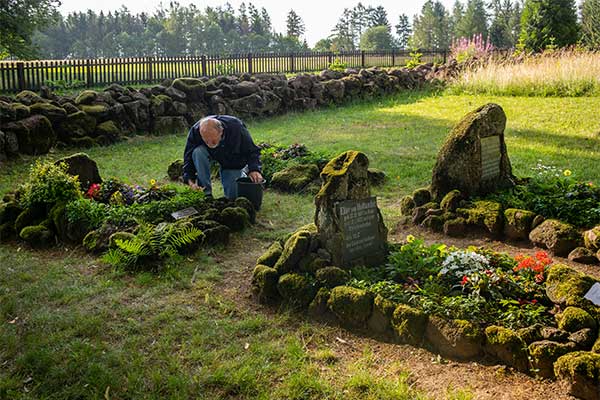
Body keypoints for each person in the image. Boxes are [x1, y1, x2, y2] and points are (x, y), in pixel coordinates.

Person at [182, 115, 263, 199]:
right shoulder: (195, 131)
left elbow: (252, 150)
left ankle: (242, 174)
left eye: (213, 141)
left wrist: (254, 169)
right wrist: (190, 181)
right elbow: (188, 158)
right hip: (207, 154)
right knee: (197, 152)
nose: (210, 144)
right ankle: (206, 194)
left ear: (221, 131)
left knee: (232, 197)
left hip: (231, 160)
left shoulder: (236, 127)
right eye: (206, 141)